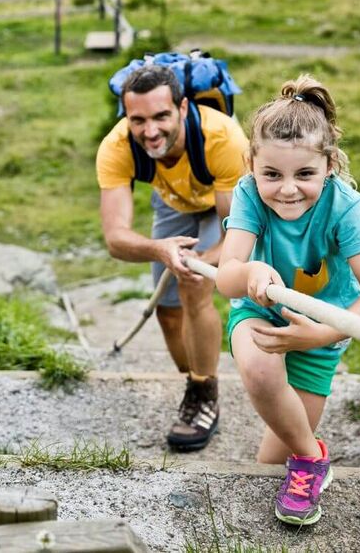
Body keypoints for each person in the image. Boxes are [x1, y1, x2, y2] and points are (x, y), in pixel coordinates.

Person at [215, 74, 360, 526]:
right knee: (260, 371)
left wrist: (322, 334)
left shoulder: (344, 206)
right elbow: (227, 278)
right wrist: (250, 271)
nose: (288, 189)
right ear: (251, 164)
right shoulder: (248, 193)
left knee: (276, 457)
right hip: (262, 310)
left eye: (305, 174)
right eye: (272, 174)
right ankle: (315, 460)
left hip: (323, 328)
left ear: (328, 165)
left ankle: (300, 465)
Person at [96, 65, 248, 452]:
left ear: (182, 108)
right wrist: (160, 249)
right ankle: (193, 377)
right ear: (126, 116)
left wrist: (203, 262)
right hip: (173, 202)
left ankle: (203, 395)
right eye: (138, 120)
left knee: (193, 285)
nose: (150, 131)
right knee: (167, 311)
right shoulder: (117, 147)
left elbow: (235, 235)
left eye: (161, 116)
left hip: (222, 204)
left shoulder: (223, 138)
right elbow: (115, 238)